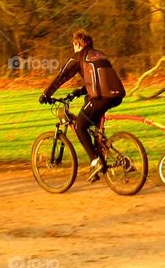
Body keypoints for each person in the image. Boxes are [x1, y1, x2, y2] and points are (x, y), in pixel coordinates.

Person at [39, 29, 126, 181]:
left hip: (101, 97)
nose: (73, 49)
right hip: (117, 95)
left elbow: (62, 75)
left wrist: (46, 94)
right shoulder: (100, 55)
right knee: (92, 123)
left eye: (73, 45)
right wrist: (79, 92)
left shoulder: (79, 56)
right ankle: (99, 164)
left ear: (77, 43)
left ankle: (96, 161)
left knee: (80, 125)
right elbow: (98, 79)